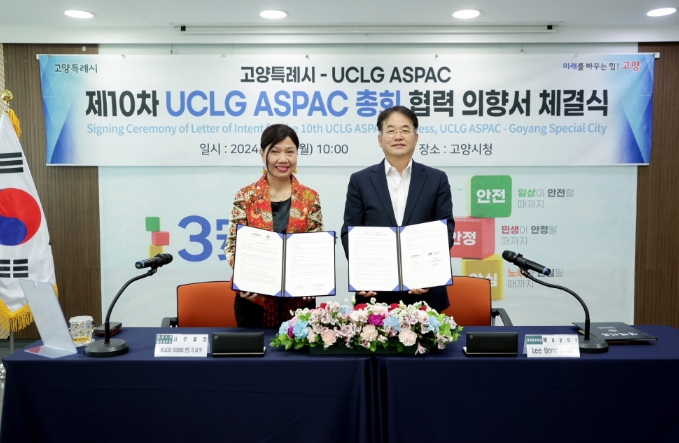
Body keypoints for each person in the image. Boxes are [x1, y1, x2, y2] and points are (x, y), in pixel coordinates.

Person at [340, 106, 455, 312]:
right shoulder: (360, 180)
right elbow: (350, 232)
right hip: (376, 293)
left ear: (416, 137)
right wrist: (363, 275)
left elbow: (445, 230)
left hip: (425, 292)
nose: (398, 136)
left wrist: (429, 274)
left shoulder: (436, 179)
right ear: (380, 139)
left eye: (405, 130)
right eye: (391, 130)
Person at [225, 124, 323, 328]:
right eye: (275, 151)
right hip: (254, 299)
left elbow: (316, 247)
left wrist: (312, 280)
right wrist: (245, 278)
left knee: (299, 349)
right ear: (262, 154)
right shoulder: (245, 196)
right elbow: (233, 246)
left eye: (290, 152)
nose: (283, 159)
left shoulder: (310, 197)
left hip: (299, 301)